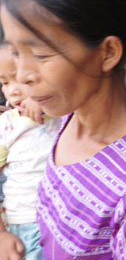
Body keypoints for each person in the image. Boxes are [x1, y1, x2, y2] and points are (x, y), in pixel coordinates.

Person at [0, 0, 126, 259]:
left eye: (41, 54)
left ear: (108, 52)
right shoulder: (67, 117)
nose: (22, 75)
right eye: (17, 53)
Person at [0, 45, 60, 260]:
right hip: (23, 221)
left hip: (64, 220)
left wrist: (43, 99)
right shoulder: (6, 125)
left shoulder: (62, 115)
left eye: (19, 79)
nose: (12, 90)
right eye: (5, 82)